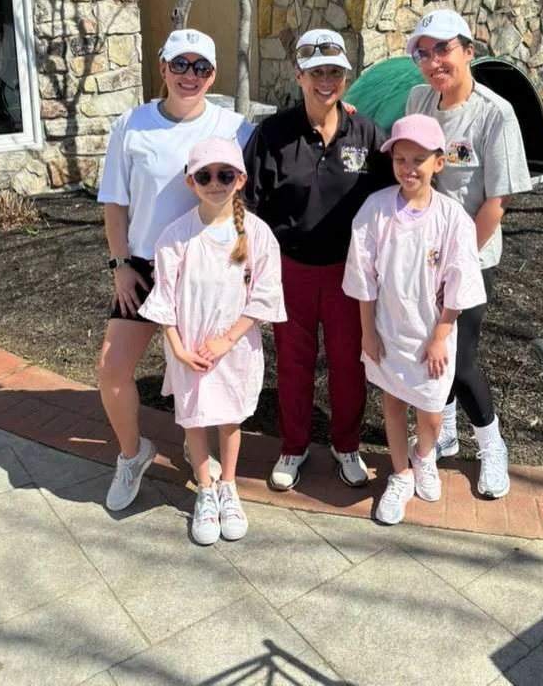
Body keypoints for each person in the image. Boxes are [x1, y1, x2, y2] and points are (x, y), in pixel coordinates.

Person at [97, 28, 253, 512]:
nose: (190, 75)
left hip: (209, 264)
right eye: (180, 65)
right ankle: (133, 453)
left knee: (202, 367)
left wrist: (343, 113)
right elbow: (115, 204)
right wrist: (121, 264)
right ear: (162, 67)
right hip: (145, 265)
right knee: (111, 369)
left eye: (201, 67)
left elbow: (281, 153)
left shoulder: (236, 126)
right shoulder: (131, 125)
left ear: (212, 75)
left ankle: (200, 453)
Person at [243, 29, 391, 492]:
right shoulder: (272, 133)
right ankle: (294, 445)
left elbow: (393, 197)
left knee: (350, 363)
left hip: (350, 273)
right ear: (299, 76)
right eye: (316, 72)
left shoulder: (364, 132)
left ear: (345, 77)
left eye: (334, 72)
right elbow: (247, 203)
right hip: (291, 269)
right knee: (293, 361)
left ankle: (346, 446)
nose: (325, 81)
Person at [405, 9, 532, 499]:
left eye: (444, 49)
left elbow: (497, 203)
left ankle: (492, 445)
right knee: (431, 352)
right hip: (423, 255)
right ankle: (449, 433)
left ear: (467, 52)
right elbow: (406, 161)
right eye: (424, 52)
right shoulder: (419, 99)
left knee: (461, 361)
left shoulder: (494, 114)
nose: (434, 61)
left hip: (470, 261)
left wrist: (455, 264)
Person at [139, 137, 285, 544]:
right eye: (204, 175)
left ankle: (229, 485)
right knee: (195, 416)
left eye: (224, 175)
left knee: (230, 416)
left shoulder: (256, 234)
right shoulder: (175, 236)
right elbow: (164, 299)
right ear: (190, 182)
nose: (214, 183)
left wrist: (228, 339)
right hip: (189, 347)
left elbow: (265, 294)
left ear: (240, 180)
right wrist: (179, 349)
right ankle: (205, 487)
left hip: (233, 347)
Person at [343, 114, 486, 525]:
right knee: (392, 401)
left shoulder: (451, 218)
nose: (408, 169)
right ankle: (401, 473)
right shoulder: (375, 210)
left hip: (431, 335)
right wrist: (368, 333)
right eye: (400, 159)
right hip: (388, 329)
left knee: (431, 410)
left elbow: (460, 284)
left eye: (418, 160)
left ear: (438, 162)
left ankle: (424, 454)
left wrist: (441, 335)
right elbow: (363, 277)